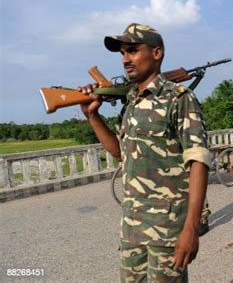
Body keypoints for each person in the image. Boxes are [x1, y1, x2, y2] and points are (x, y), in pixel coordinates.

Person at [77, 23, 212, 281]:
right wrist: (92, 116)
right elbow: (121, 154)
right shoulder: (131, 102)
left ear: (157, 53)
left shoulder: (179, 98)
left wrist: (191, 229)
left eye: (133, 50)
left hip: (167, 231)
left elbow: (198, 161)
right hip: (132, 229)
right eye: (122, 53)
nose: (126, 59)